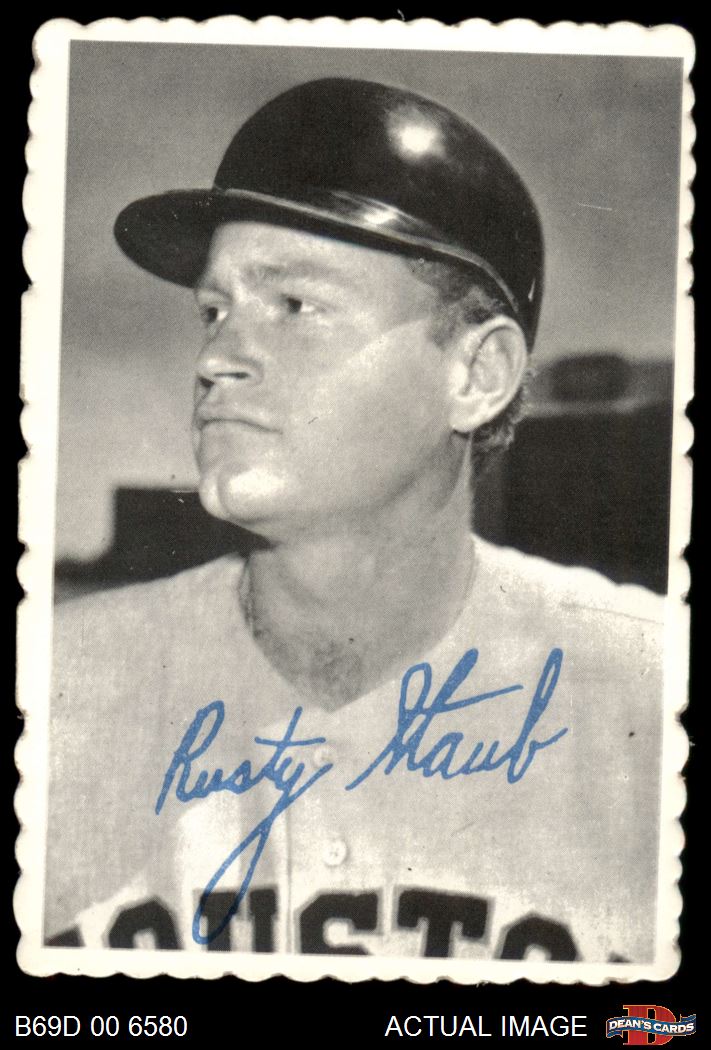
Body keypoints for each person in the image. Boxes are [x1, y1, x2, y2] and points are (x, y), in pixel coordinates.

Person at [45, 78, 663, 963]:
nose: (216, 358)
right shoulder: (55, 686)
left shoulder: (651, 688)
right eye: (214, 311)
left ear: (477, 374)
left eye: (295, 306)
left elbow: (660, 1023)